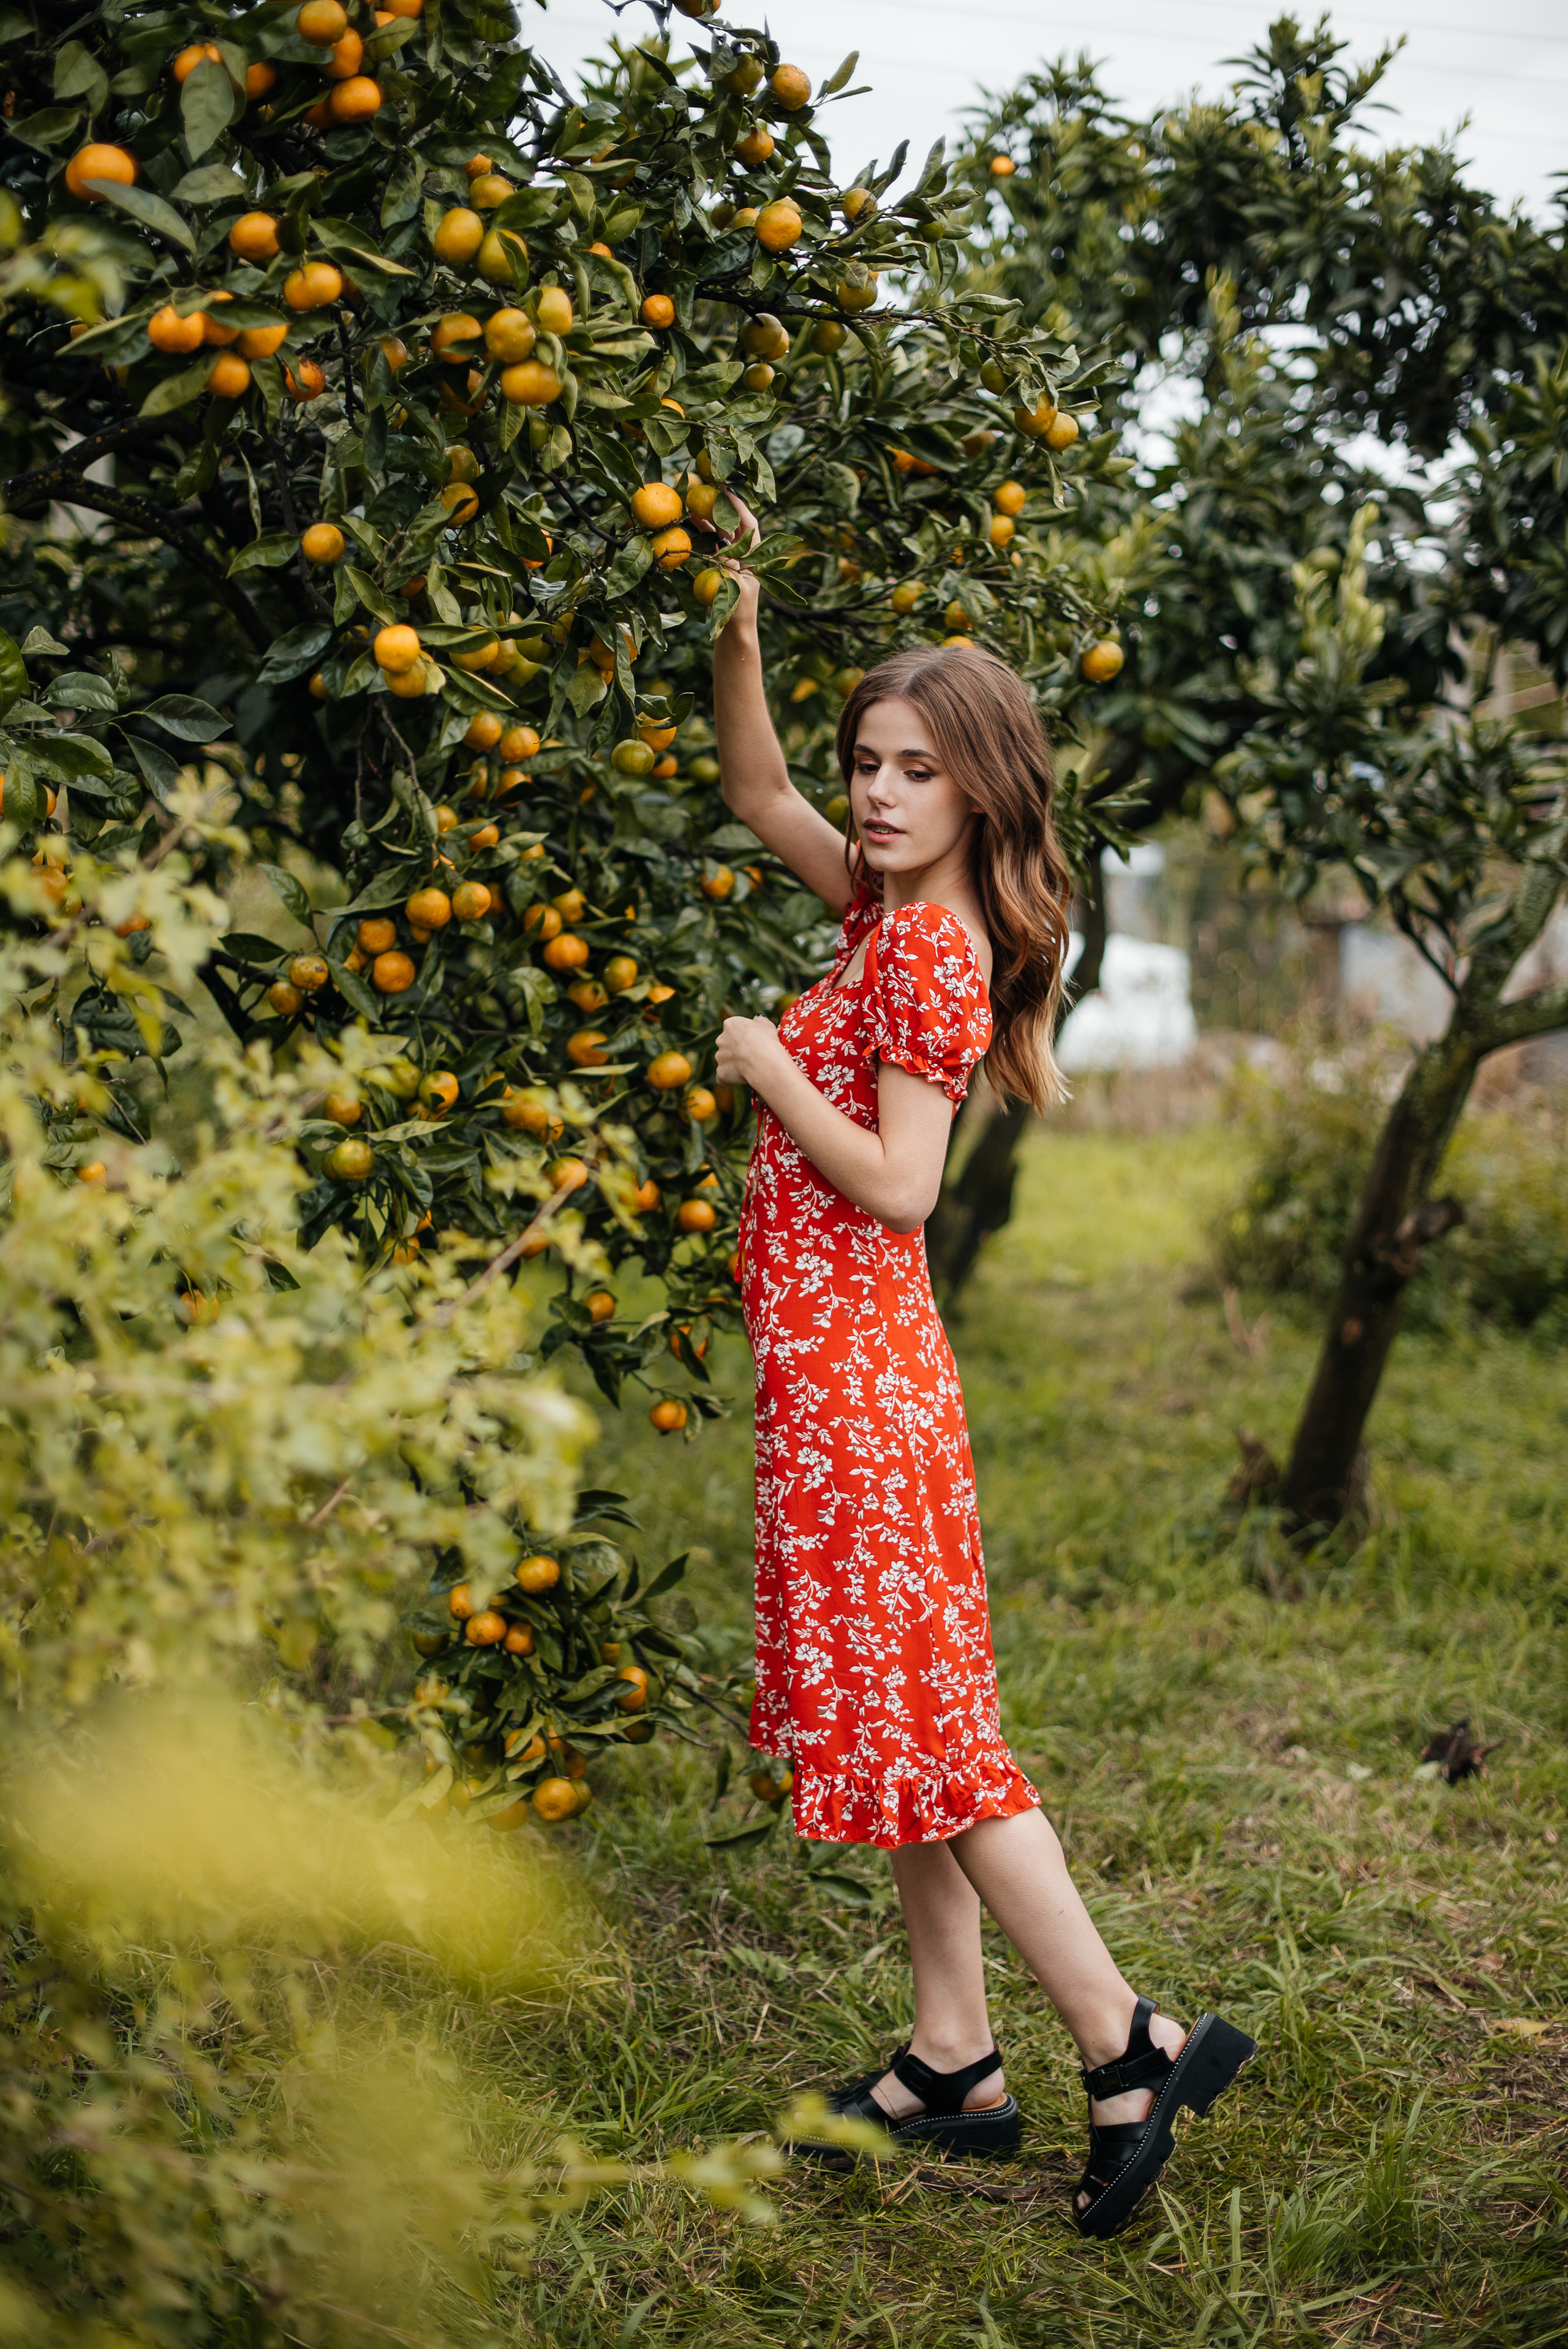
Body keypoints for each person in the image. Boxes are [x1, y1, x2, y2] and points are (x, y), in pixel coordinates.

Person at [707, 503, 1254, 2239]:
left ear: (982, 791)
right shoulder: (881, 916)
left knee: (937, 1740)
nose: (871, 795)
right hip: (839, 1390)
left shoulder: (933, 952)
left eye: (914, 772)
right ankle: (955, 2056)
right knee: (898, 1729)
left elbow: (901, 1184)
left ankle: (1126, 2038)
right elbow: (754, 791)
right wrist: (738, 627)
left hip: (870, 1388)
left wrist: (760, 1067)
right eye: (869, 760)